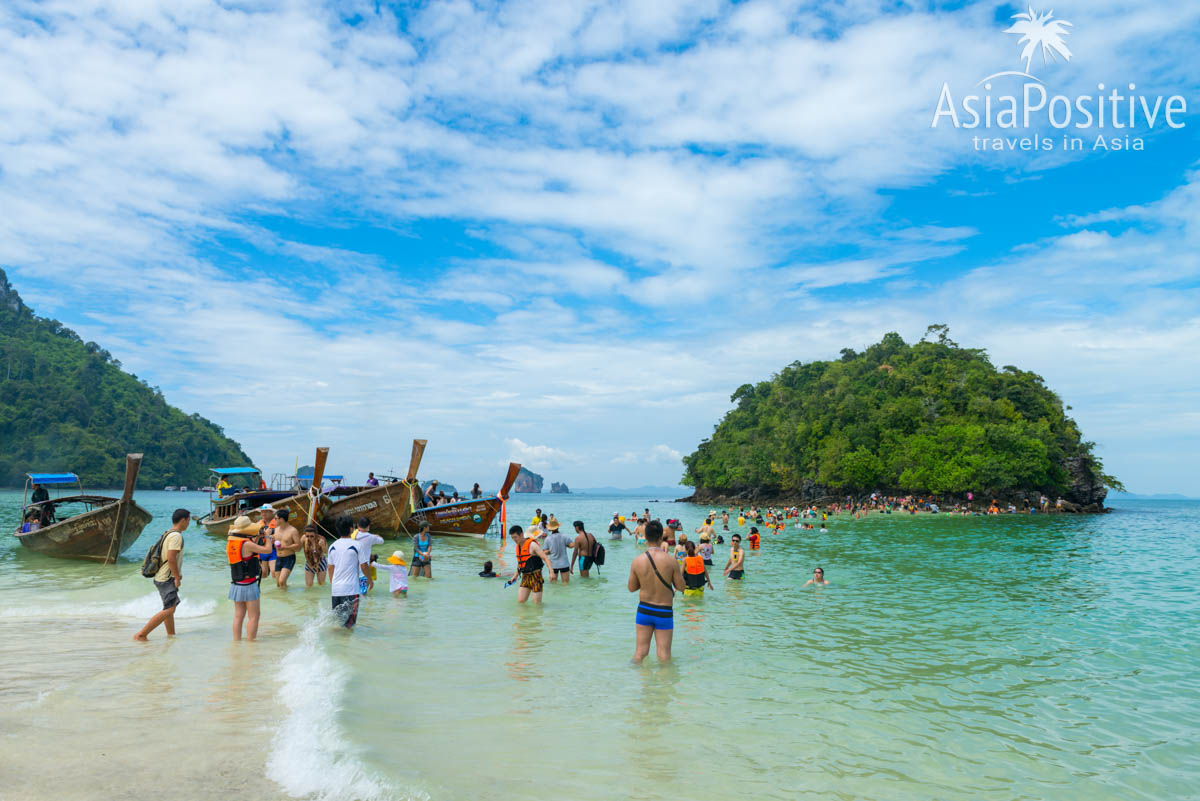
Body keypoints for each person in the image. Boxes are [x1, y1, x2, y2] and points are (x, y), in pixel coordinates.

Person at [627, 521, 684, 663]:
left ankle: (639, 683)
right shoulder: (671, 561)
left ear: (645, 537)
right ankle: (665, 684)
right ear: (661, 537)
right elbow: (682, 587)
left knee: (640, 653)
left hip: (644, 610)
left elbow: (631, 588)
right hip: (663, 611)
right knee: (664, 655)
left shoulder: (637, 561)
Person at [134, 508, 190, 641]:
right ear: (183, 520)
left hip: (161, 576)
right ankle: (142, 634)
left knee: (169, 608)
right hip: (167, 578)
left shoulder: (168, 533)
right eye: (188, 520)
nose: (188, 523)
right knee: (170, 609)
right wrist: (177, 577)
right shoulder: (176, 536)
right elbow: (171, 558)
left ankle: (171, 635)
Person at [226, 515, 273, 641]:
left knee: (238, 616)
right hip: (249, 585)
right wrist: (267, 536)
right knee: (254, 616)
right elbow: (268, 550)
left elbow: (247, 553)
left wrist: (257, 539)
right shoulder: (247, 544)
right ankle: (250, 643)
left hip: (237, 584)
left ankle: (236, 641)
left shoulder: (232, 542)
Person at [328, 515, 370, 628]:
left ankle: (336, 644)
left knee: (338, 623)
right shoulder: (357, 545)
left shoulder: (332, 546)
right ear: (352, 529)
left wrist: (333, 583)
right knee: (349, 626)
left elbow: (330, 568)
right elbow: (364, 566)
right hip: (351, 590)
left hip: (336, 590)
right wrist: (370, 580)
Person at [507, 525, 551, 604]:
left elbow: (545, 558)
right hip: (525, 577)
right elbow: (520, 563)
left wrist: (551, 572)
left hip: (536, 577)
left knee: (536, 604)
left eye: (515, 537)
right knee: (520, 602)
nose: (514, 540)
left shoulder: (532, 545)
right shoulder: (518, 547)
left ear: (521, 535)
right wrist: (515, 576)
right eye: (512, 538)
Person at [351, 516, 384, 594]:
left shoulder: (352, 535)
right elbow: (382, 541)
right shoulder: (371, 537)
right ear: (368, 526)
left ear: (358, 525)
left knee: (353, 594)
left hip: (351, 570)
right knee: (363, 594)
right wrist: (377, 536)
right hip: (364, 570)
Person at [273, 509, 302, 589]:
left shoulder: (293, 531)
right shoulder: (276, 530)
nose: (274, 520)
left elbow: (299, 547)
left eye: (276, 518)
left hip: (289, 558)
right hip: (279, 558)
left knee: (282, 581)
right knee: (279, 584)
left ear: (281, 519)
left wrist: (285, 547)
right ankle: (283, 599)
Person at [545, 518, 571, 584]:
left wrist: (550, 551)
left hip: (553, 564)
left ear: (550, 529)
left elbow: (545, 552)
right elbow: (572, 545)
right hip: (564, 563)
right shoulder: (564, 536)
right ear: (558, 527)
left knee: (553, 584)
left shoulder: (548, 538)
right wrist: (566, 545)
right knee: (565, 584)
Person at [258, 506, 277, 580]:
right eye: (262, 512)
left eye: (266, 511)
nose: (263, 513)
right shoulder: (258, 524)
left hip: (274, 550)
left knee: (274, 571)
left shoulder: (277, 523)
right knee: (263, 573)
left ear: (271, 512)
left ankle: (279, 589)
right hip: (262, 550)